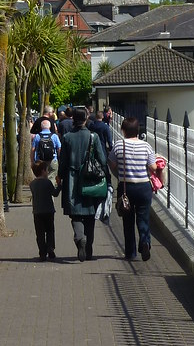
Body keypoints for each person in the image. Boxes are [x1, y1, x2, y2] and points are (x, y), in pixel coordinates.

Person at [57, 107, 106, 261]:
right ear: (85, 119)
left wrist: (59, 176)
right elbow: (103, 160)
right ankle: (89, 249)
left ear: (73, 119)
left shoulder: (67, 137)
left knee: (76, 214)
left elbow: (63, 161)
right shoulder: (94, 137)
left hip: (72, 179)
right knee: (90, 215)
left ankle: (79, 237)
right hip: (90, 180)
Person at [108, 115, 157, 261]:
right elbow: (153, 167)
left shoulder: (118, 145)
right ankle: (145, 242)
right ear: (137, 130)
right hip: (143, 187)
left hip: (126, 187)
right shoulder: (146, 146)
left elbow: (111, 163)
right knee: (143, 217)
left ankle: (130, 252)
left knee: (127, 219)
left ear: (123, 130)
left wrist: (119, 174)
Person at [29, 160, 60, 261]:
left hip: (37, 211)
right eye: (47, 170)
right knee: (50, 230)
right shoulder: (47, 183)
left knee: (40, 233)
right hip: (49, 210)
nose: (47, 172)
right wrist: (59, 185)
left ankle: (42, 252)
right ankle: (50, 248)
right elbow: (55, 193)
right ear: (43, 171)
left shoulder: (32, 184)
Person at [31, 118, 60, 183]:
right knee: (52, 176)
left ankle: (42, 191)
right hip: (53, 160)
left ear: (41, 127)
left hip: (40, 160)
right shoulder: (54, 136)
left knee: (41, 177)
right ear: (50, 126)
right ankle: (50, 190)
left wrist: (32, 161)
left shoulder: (37, 136)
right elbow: (59, 149)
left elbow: (33, 149)